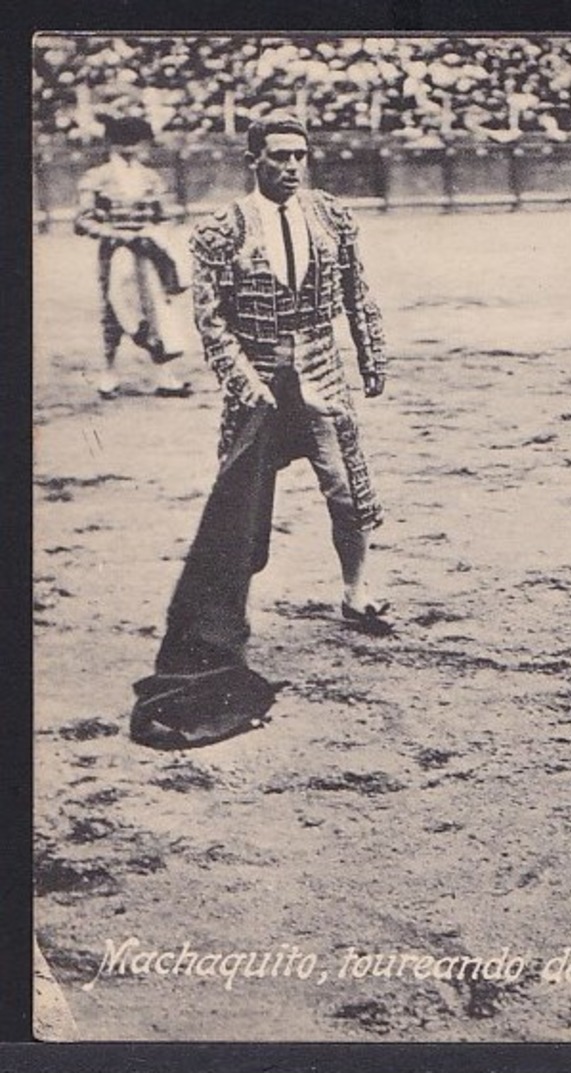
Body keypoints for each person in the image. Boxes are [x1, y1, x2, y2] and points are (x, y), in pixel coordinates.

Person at [130, 113, 393, 750]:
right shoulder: (222, 228)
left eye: (300, 155)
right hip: (258, 378)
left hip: (322, 372)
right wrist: (243, 380)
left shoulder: (330, 214)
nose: (292, 166)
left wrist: (372, 353)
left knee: (347, 487)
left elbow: (357, 292)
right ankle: (225, 620)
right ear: (255, 160)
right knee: (241, 505)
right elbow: (211, 319)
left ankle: (357, 593)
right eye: (279, 156)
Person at [73, 115, 193, 399]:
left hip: (147, 251)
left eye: (134, 142)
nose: (129, 148)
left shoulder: (150, 177)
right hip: (115, 251)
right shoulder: (96, 178)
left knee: (155, 308)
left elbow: (164, 216)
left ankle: (165, 376)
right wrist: (120, 235)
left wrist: (154, 234)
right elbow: (82, 222)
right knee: (113, 309)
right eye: (122, 142)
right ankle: (109, 372)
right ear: (112, 144)